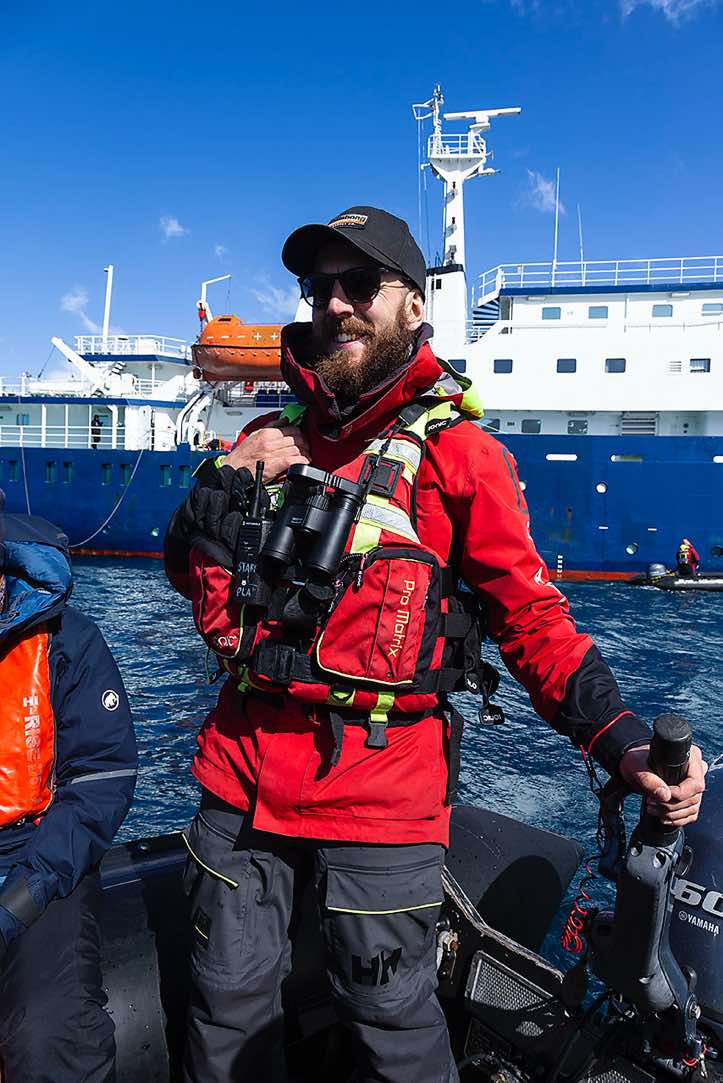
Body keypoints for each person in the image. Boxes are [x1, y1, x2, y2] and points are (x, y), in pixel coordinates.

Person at [164, 206, 707, 1083]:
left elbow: (531, 621)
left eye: (358, 285)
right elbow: (191, 570)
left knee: (392, 1026)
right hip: (240, 787)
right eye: (318, 287)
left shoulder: (462, 456)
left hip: (382, 799)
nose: (333, 304)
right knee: (223, 1016)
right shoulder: (263, 440)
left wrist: (620, 738)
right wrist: (214, 492)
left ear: (413, 306)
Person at [0, 497, 137, 1082]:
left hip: (33, 861)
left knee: (51, 1032)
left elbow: (103, 777)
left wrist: (21, 898)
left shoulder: (67, 642)